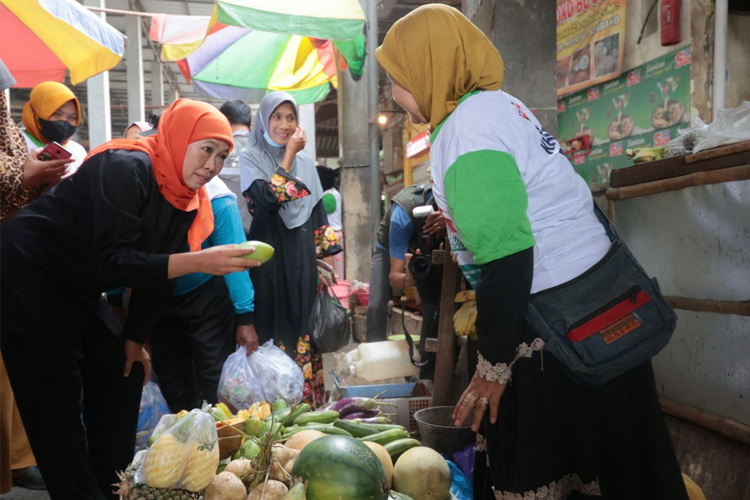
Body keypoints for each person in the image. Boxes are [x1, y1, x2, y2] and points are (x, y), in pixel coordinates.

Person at [377, 5, 689, 500]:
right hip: (594, 302)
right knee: (622, 456)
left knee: (544, 459)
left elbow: (509, 253)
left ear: (429, 68)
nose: (393, 95)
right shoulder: (495, 107)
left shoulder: (466, 130)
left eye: (396, 79)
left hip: (554, 320)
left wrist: (493, 368)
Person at [0, 98, 260, 500]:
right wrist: (198, 261)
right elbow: (116, 264)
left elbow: (157, 282)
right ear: (178, 139)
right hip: (26, 272)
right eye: (205, 149)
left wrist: (134, 338)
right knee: (55, 399)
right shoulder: (125, 167)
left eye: (222, 155)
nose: (212, 164)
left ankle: (112, 484)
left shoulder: (185, 199)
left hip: (78, 283)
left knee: (123, 368)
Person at [240, 91, 342, 407]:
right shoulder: (250, 157)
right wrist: (287, 157)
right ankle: (271, 406)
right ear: (264, 121)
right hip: (268, 257)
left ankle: (303, 405)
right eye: (277, 117)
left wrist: (324, 265)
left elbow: (315, 214)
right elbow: (268, 200)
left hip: (301, 257)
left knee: (302, 322)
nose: (285, 125)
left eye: (291, 117)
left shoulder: (307, 163)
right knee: (272, 321)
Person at [0, 59, 66, 495]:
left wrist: (34, 169)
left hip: (13, 251)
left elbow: (15, 171)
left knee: (13, 361)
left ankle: (19, 459)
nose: (65, 124)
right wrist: (23, 173)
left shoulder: (6, 123)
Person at [149, 175, 259, 413]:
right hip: (156, 298)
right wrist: (116, 300)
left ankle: (223, 443)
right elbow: (122, 247)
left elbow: (236, 261)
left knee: (216, 381)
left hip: (206, 298)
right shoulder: (148, 189)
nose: (210, 165)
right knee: (172, 382)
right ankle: (187, 443)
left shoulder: (218, 199)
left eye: (219, 155)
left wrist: (245, 318)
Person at [367, 183, 445, 377]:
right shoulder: (403, 214)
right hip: (389, 249)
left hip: (428, 254)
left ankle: (429, 374)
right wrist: (412, 279)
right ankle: (375, 362)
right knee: (376, 306)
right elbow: (394, 278)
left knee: (433, 310)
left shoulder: (454, 214)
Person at [21, 81, 88, 173]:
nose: (63, 122)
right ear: (34, 113)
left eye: (72, 117)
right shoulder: (13, 143)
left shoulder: (77, 151)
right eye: (56, 114)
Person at [219, 99, 253, 235]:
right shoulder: (263, 150)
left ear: (223, 123)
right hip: (260, 234)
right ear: (250, 125)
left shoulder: (214, 149)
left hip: (223, 233)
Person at [316, 165, 345, 278]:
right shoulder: (332, 193)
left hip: (332, 236)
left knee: (334, 272)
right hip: (331, 235)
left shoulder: (329, 196)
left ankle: (336, 292)